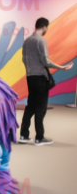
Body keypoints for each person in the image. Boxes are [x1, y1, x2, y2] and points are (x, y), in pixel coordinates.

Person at [19, 17, 73, 146]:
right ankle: (39, 137)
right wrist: (62, 67)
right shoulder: (41, 41)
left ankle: (23, 135)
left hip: (30, 77)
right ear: (44, 27)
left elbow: (23, 60)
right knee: (40, 108)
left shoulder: (27, 41)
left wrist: (30, 70)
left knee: (30, 106)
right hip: (40, 78)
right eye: (47, 28)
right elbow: (46, 61)